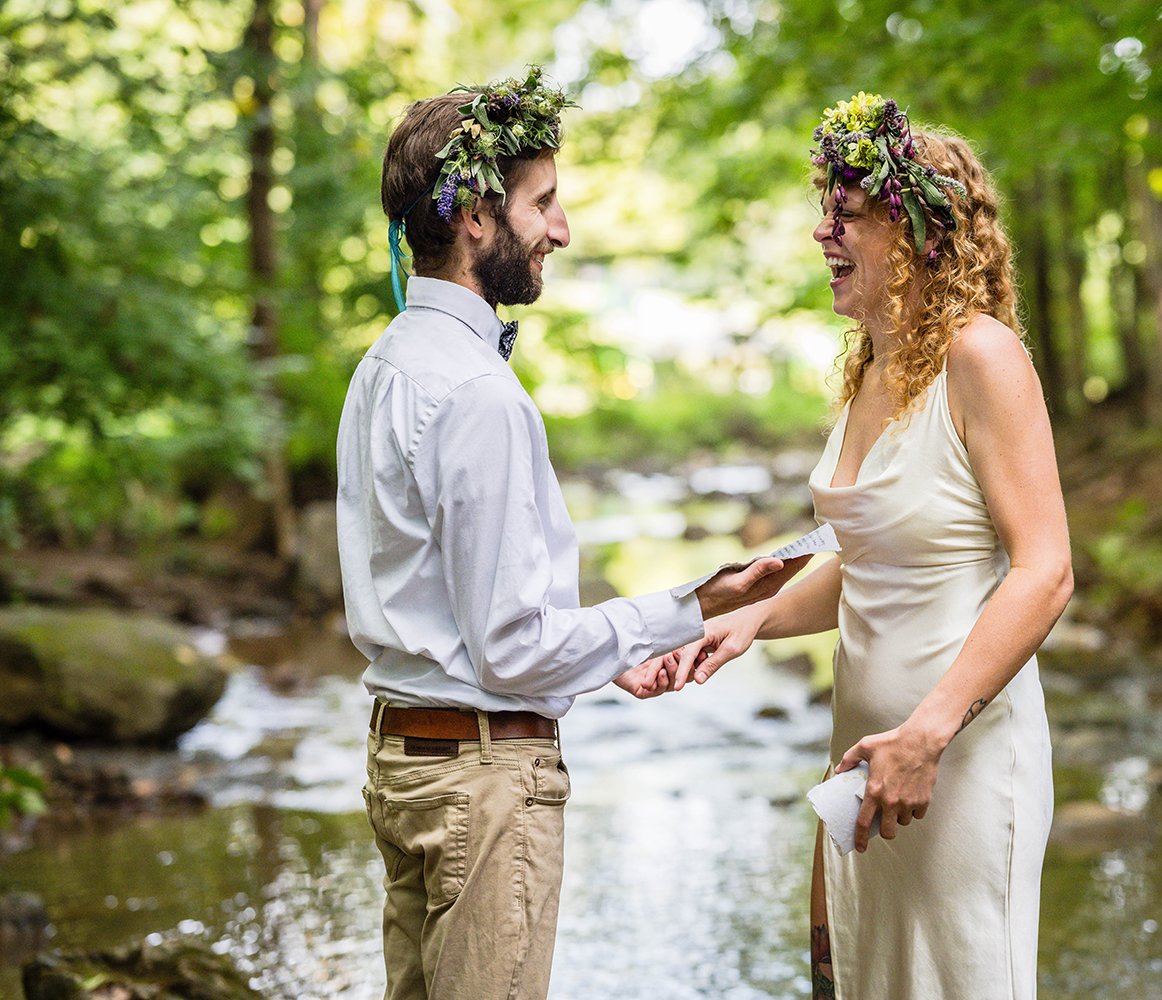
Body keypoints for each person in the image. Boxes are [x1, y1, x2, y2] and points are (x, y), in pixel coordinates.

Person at [336, 66, 807, 1000]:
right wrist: (693, 605)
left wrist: (589, 659)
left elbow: (452, 608)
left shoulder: (385, 366)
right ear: (475, 214)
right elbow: (510, 649)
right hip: (480, 787)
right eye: (543, 202)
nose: (561, 228)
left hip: (406, 768)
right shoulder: (476, 394)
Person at [662, 93, 1073, 999]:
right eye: (825, 213)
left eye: (847, 217)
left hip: (954, 761)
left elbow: (1046, 571)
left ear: (920, 232)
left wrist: (928, 733)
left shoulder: (983, 356)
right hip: (866, 757)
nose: (821, 233)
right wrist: (752, 621)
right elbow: (869, 562)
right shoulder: (872, 365)